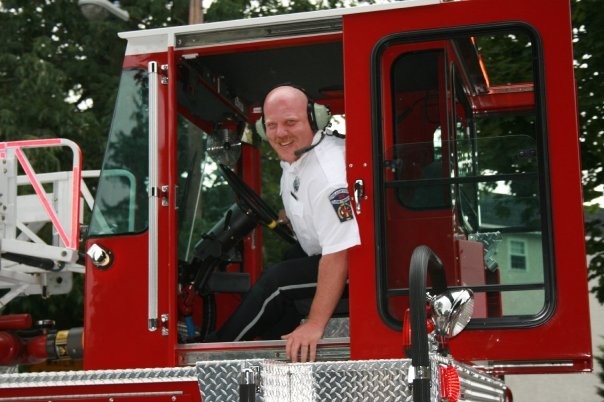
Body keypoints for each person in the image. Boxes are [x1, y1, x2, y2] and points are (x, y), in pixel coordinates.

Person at [210, 85, 360, 363]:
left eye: (291, 123)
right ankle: (274, 351)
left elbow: (339, 254)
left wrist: (315, 324)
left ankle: (215, 353)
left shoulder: (328, 176)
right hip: (323, 252)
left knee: (277, 282)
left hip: (357, 266)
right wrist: (287, 215)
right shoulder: (298, 156)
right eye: (271, 125)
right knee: (287, 270)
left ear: (314, 120)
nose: (280, 134)